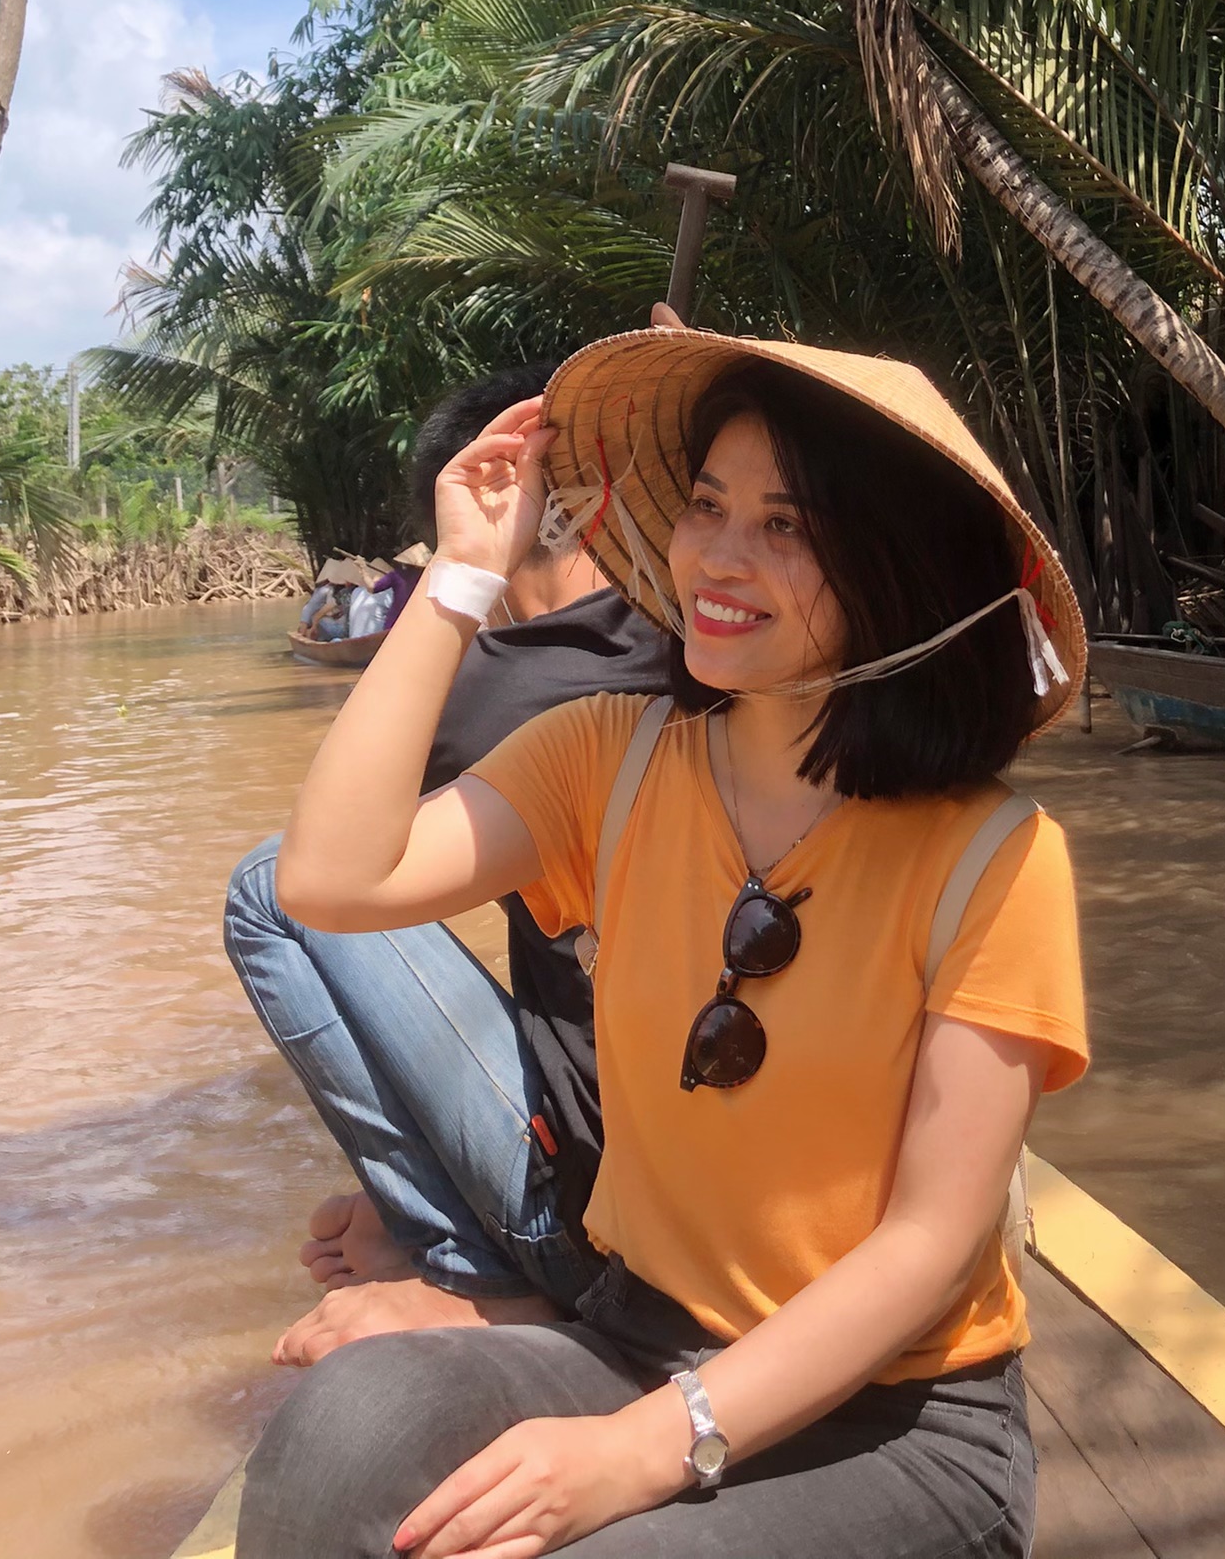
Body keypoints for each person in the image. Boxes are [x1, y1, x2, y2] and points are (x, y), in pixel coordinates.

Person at [238, 328, 1088, 1559]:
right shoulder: (607, 758)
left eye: (786, 527)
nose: (719, 558)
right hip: (638, 1336)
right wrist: (464, 576)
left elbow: (929, 1242)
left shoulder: (995, 858)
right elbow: (325, 879)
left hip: (897, 1421)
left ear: (895, 572)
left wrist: (641, 1450)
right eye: (705, 505)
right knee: (342, 1433)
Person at [224, 363, 670, 1332]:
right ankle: (447, 1227)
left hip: (592, 1221)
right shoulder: (701, 641)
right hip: (687, 1187)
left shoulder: (495, 692)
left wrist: (464, 573)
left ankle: (467, 1265)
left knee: (268, 888)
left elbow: (328, 866)